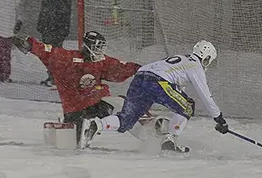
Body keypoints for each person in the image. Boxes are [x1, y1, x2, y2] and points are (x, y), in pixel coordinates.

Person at [80, 40, 229, 152]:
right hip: (157, 82)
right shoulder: (194, 65)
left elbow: (177, 91)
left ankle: (95, 124)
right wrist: (219, 118)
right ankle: (169, 140)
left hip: (139, 79)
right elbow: (205, 95)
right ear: (206, 57)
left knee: (126, 120)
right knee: (188, 106)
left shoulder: (181, 59)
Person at [12, 30, 141, 148]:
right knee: (123, 104)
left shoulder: (99, 61)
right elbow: (47, 51)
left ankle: (85, 126)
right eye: (97, 47)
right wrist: (29, 43)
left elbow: (119, 68)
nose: (99, 51)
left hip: (74, 112)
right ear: (87, 46)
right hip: (92, 107)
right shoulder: (67, 58)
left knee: (120, 107)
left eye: (101, 48)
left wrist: (139, 69)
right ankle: (148, 132)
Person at [37, 0, 72, 87]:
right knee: (48, 52)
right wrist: (42, 21)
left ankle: (58, 76)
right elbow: (45, 5)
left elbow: (63, 5)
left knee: (56, 52)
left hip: (57, 24)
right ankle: (52, 75)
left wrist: (62, 23)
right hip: (48, 23)